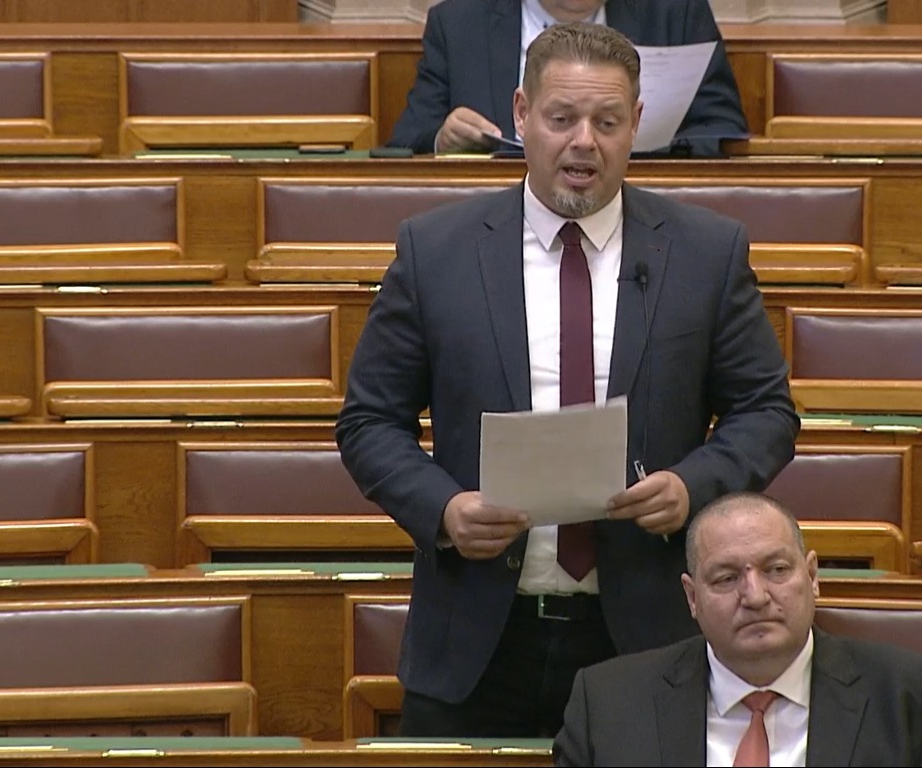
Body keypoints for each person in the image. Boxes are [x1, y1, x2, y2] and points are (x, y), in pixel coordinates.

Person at [335, 22, 798, 737]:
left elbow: (766, 412)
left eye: (607, 122)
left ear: (636, 124)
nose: (584, 142)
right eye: (562, 119)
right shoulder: (436, 250)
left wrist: (692, 488)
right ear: (522, 114)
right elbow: (369, 421)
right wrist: (444, 510)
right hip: (476, 639)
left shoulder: (705, 252)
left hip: (644, 637)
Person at [552, 493, 922, 767]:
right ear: (692, 597)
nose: (755, 596)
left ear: (812, 577)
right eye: (726, 578)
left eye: (776, 570)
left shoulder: (913, 700)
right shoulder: (608, 704)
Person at [387, 0, 748, 156]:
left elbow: (722, 130)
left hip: (642, 211)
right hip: (498, 218)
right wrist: (443, 139)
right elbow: (406, 142)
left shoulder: (677, 13)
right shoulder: (459, 22)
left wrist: (657, 149)